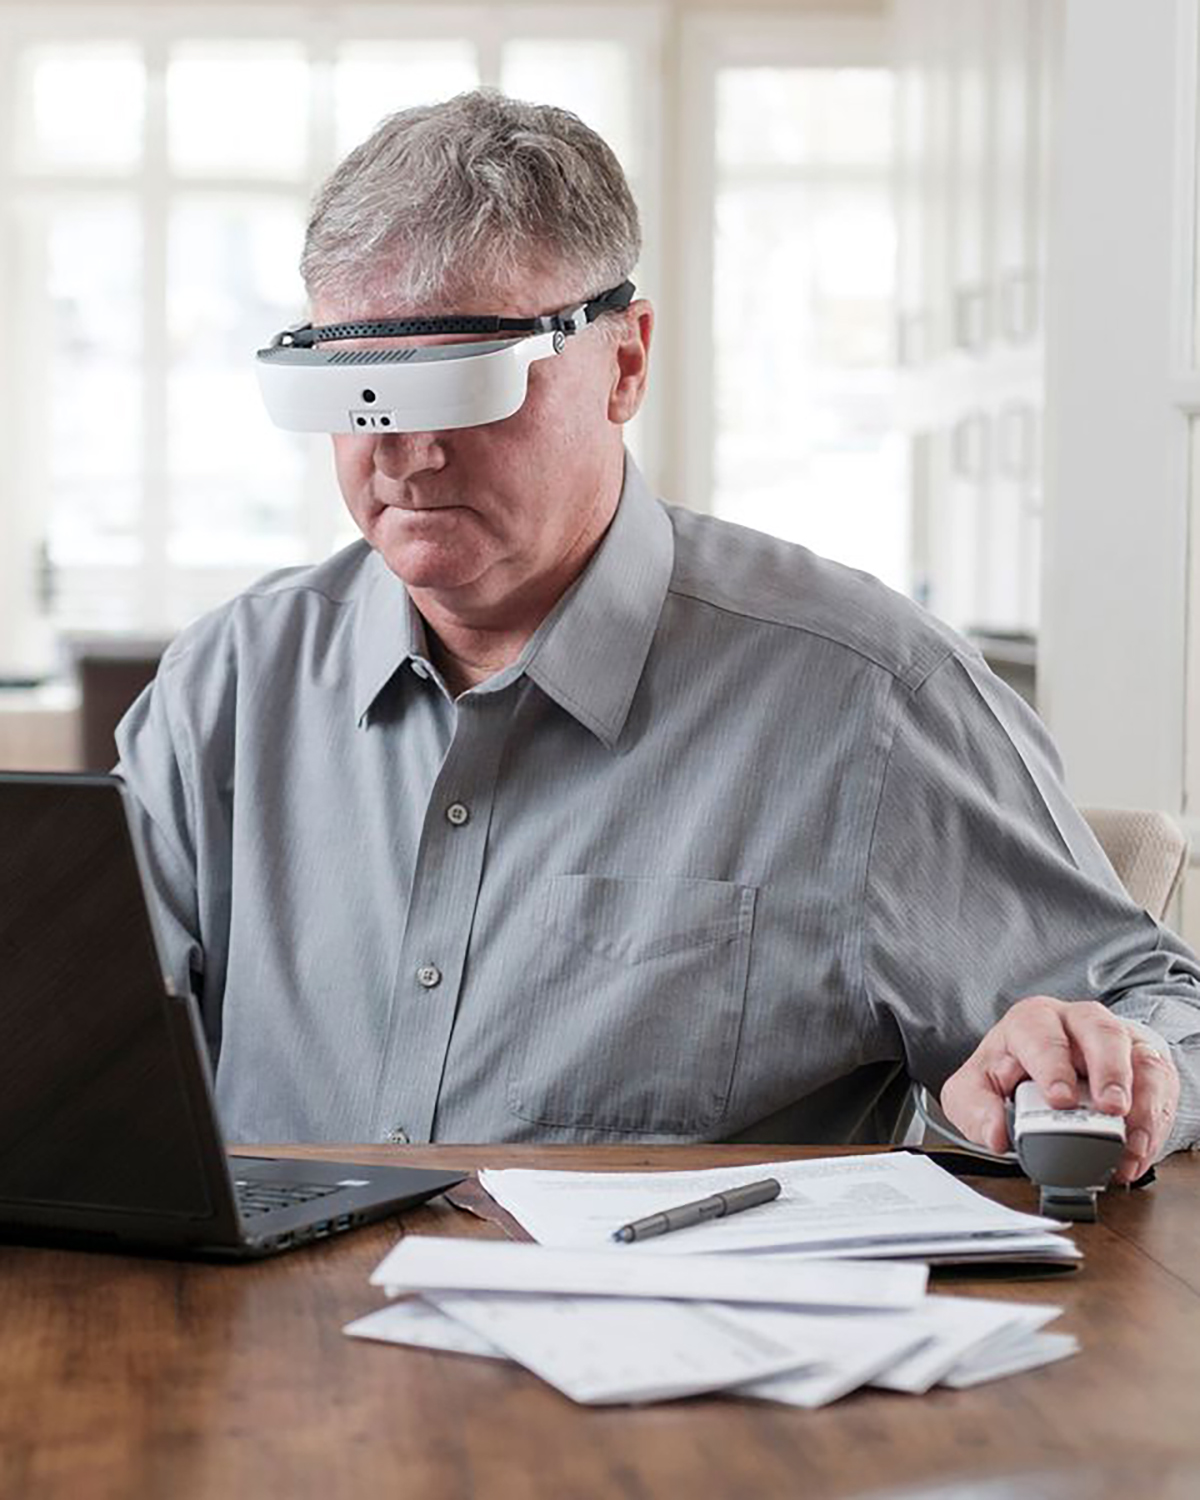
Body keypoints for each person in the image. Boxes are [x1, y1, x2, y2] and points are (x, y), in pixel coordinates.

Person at [116, 90, 1196, 1177]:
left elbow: (1160, 1010)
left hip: (660, 1290)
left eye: (467, 381)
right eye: (356, 393)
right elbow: (78, 1048)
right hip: (273, 1295)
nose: (406, 450)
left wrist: (1103, 1069)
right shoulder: (226, 688)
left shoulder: (870, 704)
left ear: (625, 362)